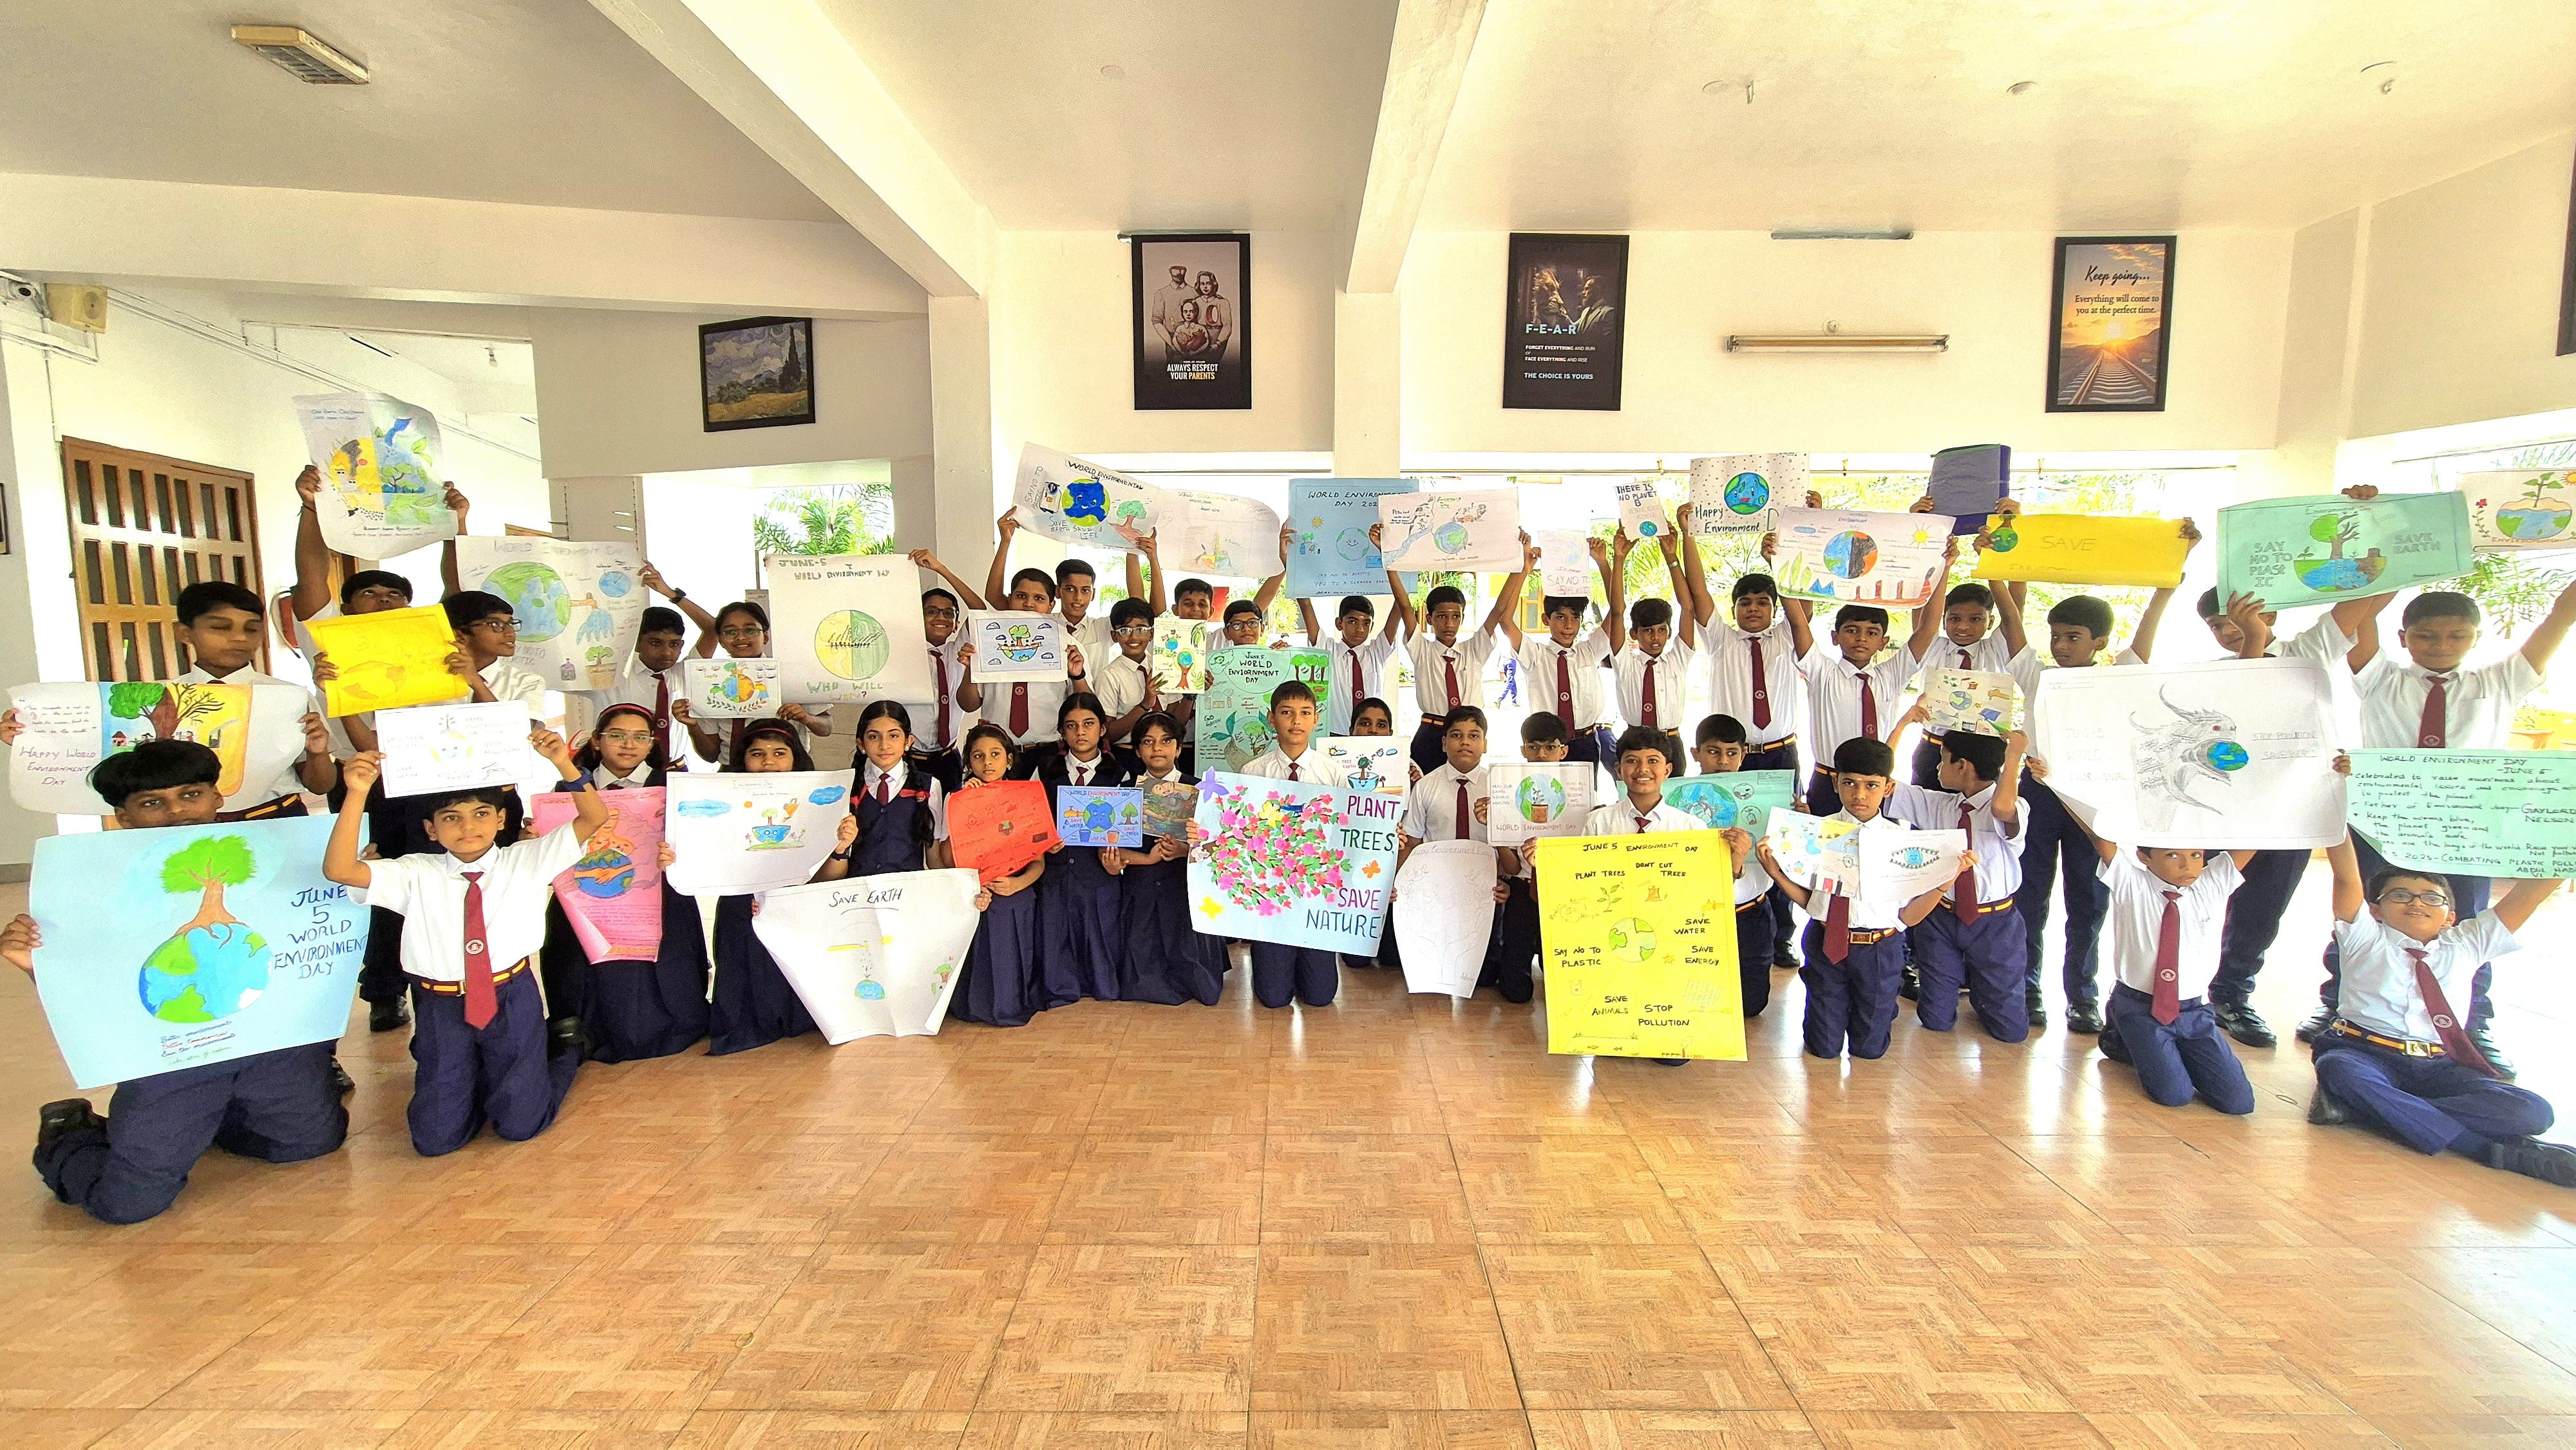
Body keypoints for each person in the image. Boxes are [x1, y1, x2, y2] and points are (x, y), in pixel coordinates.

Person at [8, 741, 349, 1223]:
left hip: (271, 1041)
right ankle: (68, 1134)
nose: (177, 812)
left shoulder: (280, 855)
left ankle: (210, 1118)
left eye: (191, 795)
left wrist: (356, 872)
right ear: (123, 817)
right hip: (170, 1054)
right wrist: (35, 965)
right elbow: (89, 982)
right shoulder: (91, 884)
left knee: (309, 1142)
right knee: (126, 1204)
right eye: (152, 803)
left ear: (217, 798)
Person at [2298, 580, 2576, 1073]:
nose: (2441, 646)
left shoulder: (2501, 680)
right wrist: (2379, 563)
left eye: (2457, 636)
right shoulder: (2381, 677)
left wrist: (2567, 602)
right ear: (2404, 638)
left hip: (2467, 833)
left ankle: (2472, 1024)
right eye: (2426, 636)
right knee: (2363, 916)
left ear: (2476, 638)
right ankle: (2339, 1003)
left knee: (2467, 924)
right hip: (2384, 825)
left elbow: (2559, 619)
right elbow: (2362, 617)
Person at [324, 726, 609, 1156]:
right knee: (435, 1140)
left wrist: (563, 764)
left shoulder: (526, 860)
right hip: (440, 1005)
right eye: (451, 818)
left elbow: (593, 818)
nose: (468, 827)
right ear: (431, 829)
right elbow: (340, 870)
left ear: (501, 820)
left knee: (521, 1125)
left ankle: (563, 1051)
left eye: (480, 814)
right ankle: (475, 1080)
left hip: (511, 995)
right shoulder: (414, 872)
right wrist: (357, 793)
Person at [1982, 527, 2189, 1033]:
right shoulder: (2037, 675)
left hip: (2093, 802)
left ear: (2099, 642)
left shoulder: (2119, 675)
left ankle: (2082, 996)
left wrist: (2172, 569)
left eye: (2072, 637)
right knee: (2029, 896)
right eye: (2055, 635)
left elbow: (2149, 626)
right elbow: (2011, 621)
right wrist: (1993, 567)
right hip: (2038, 795)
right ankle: (2026, 988)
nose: (2060, 645)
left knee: (2089, 901)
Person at [2310, 831, 2575, 1184]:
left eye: (2432, 898)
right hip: (2365, 1053)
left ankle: (2375, 1108)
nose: (2416, 903)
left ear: (2450, 916)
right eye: (2400, 895)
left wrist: (2565, 833)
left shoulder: (2468, 943)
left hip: (2439, 1066)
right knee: (2340, 1070)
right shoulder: (2364, 938)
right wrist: (2333, 820)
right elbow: (2346, 877)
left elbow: (2531, 894)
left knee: (2534, 1111)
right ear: (2376, 909)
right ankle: (2492, 1151)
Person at [2193, 576, 2389, 1048]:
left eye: (2240, 620)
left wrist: (2383, 538)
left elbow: (2370, 593)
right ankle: (2183, 992)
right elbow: (2244, 706)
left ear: (2272, 613)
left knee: (2264, 906)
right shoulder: (2211, 672)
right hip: (2227, 805)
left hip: (2294, 805)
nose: (2230, 631)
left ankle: (2232, 995)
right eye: (2218, 626)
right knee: (2203, 898)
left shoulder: (2311, 649)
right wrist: (2253, 640)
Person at [1757, 739, 1966, 1062]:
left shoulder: (1903, 843)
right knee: (1823, 1047)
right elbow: (1812, 903)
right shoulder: (1815, 834)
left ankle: (1880, 1012)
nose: (1860, 795)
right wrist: (1776, 873)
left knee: (1870, 1049)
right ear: (1835, 782)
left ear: (1888, 787)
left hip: (1880, 949)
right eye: (1850, 783)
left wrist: (1945, 882)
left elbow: (1908, 917)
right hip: (1827, 941)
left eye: (1871, 785)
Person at [545, 704, 708, 1063]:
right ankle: (591, 1031)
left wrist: (676, 854)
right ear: (597, 741)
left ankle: (668, 1025)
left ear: (651, 744)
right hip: (588, 894)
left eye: (640, 737)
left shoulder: (672, 785)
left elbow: (701, 843)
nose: (628, 745)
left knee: (660, 963)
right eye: (617, 735)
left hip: (659, 893)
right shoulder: (567, 788)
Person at [1687, 536, 1815, 973]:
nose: (1754, 609)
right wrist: (1688, 537)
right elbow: (1698, 593)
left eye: (1763, 602)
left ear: (1775, 608)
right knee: (1724, 837)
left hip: (1780, 757)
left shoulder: (1787, 637)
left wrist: (1780, 557)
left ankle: (1781, 936)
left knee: (1779, 843)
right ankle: (1719, 919)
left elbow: (1802, 604)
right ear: (1735, 609)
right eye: (1745, 603)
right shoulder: (1721, 640)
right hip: (1729, 759)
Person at [1578, 726, 1721, 1064]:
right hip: (1615, 930)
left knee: (1673, 1053)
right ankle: (1618, 1028)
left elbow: (1703, 888)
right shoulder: (1598, 823)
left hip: (1669, 935)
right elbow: (1583, 880)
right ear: (1618, 769)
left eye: (1653, 761)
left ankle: (1662, 1029)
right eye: (1632, 761)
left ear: (1668, 770)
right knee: (1612, 1040)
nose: (1643, 770)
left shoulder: (1690, 828)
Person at [2090, 836, 2260, 1115]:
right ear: (2144, 857)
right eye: (2172, 855)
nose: (2187, 866)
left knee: (2238, 1102)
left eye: (2196, 855)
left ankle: (2171, 1051)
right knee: (2175, 1094)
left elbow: (2257, 838)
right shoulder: (2131, 882)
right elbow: (2100, 838)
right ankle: (2120, 1035)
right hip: (2140, 1007)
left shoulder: (2212, 883)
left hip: (2194, 1011)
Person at [1898, 730, 2030, 1043]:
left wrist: (2013, 755)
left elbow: (2002, 808)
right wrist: (1902, 725)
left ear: (1962, 766)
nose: (1937, 767)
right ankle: (1968, 993)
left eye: (1943, 760)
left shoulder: (2014, 806)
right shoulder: (1940, 804)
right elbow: (1881, 782)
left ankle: (1986, 996)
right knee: (1935, 1020)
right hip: (1941, 920)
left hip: (1996, 923)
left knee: (2010, 1032)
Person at [1225, 681, 1347, 1008]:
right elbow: (1240, 830)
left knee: (1320, 996)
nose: (1296, 721)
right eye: (1287, 712)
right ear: (1271, 718)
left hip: (1317, 890)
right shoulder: (1253, 772)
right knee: (1274, 997)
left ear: (1316, 719)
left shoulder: (1333, 773)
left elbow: (1347, 830)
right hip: (1272, 890)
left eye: (1305, 713)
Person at [169, 581, 339, 816]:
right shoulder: (164, 699)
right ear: (184, 633)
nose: (240, 638)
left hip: (276, 817)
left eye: (252, 629)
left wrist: (317, 753)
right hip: (186, 821)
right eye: (220, 627)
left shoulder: (288, 697)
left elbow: (321, 786)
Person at [705, 720, 823, 1055]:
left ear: (795, 758)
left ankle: (799, 1018)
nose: (769, 761)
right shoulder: (722, 799)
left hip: (797, 895)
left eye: (779, 753)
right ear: (743, 759)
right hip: (740, 893)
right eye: (757, 754)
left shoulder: (816, 799)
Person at [1799, 556, 1944, 817]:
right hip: (1830, 783)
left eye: (1872, 633)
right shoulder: (1822, 673)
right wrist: (1779, 566)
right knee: (1825, 842)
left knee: (1880, 841)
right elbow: (1798, 623)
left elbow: (1928, 629)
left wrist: (1944, 568)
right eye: (1852, 630)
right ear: (1835, 637)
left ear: (1883, 642)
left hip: (1878, 786)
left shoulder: (1891, 674)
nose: (1861, 639)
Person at [1396, 706, 1523, 1003]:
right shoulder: (1426, 787)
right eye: (1456, 735)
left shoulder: (1499, 789)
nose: (1465, 742)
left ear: (1485, 744)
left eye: (1474, 736)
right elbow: (1412, 843)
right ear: (1444, 743)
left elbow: (1512, 862)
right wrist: (1397, 885)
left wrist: (1504, 881)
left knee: (1485, 977)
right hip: (1436, 891)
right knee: (1431, 972)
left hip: (1485, 892)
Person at [1384, 530, 1533, 775]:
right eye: (1442, 617)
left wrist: (1521, 567)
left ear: (1462, 618)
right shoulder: (1422, 650)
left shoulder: (1474, 650)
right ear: (1430, 619)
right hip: (1431, 734)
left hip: (1467, 734)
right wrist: (1389, 560)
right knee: (1423, 790)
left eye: (1456, 617)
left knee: (1466, 786)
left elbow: (1498, 610)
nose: (1449, 623)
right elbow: (1405, 607)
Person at [1104, 711, 1227, 1006]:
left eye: (1166, 741)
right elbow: (1109, 849)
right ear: (1137, 751)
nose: (1157, 748)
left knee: (1195, 966)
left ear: (1179, 748)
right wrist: (1147, 858)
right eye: (1148, 742)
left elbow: (1220, 848)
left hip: (1185, 886)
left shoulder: (1201, 790)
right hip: (1141, 884)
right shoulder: (1123, 792)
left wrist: (1183, 851)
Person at [1027, 693, 1131, 1006]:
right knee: (1055, 929)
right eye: (1071, 726)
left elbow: (1127, 831)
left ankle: (1102, 984)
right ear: (1062, 731)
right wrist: (1043, 842)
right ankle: (1060, 987)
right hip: (1055, 871)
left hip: (1100, 873)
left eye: (1089, 724)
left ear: (1103, 729)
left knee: (1100, 931)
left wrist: (1117, 861)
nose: (1080, 732)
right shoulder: (1045, 771)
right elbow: (1030, 820)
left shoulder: (1121, 774)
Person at [942, 725, 1046, 1027]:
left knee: (1010, 945)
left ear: (1009, 760)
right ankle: (971, 1005)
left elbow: (1038, 863)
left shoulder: (1025, 798)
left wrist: (1016, 884)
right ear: (968, 763)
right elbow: (948, 857)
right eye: (978, 756)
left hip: (1015, 890)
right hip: (974, 890)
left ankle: (1013, 1002)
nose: (987, 762)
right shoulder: (957, 798)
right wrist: (965, 804)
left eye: (995, 754)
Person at [563, 562, 718, 761]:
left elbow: (713, 629)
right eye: (655, 643)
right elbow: (551, 674)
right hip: (621, 773)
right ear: (636, 643)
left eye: (674, 644)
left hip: (673, 770)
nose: (666, 652)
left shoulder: (687, 674)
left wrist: (671, 593)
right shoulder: (610, 676)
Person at [1502, 532, 1627, 768]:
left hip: (1586, 742)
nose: (1569, 625)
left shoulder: (1589, 650)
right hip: (1546, 747)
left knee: (1585, 793)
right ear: (1546, 619)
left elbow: (1617, 610)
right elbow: (1506, 621)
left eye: (1575, 618)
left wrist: (1602, 562)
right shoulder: (1535, 655)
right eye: (1560, 617)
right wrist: (1524, 570)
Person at [1687, 713, 1781, 1019]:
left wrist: (1797, 821)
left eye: (1732, 753)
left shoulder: (1767, 799)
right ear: (1696, 754)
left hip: (1751, 912)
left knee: (1751, 1006)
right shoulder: (1679, 802)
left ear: (1744, 754)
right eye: (1713, 752)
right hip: (1700, 914)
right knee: (1698, 1000)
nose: (1723, 761)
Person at [674, 602, 833, 764]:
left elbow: (826, 728)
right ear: (721, 641)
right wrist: (693, 725)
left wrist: (807, 718)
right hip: (732, 771)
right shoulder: (710, 681)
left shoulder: (793, 675)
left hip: (787, 771)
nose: (740, 637)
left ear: (766, 637)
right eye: (730, 632)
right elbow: (710, 755)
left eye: (750, 630)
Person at [817, 701, 942, 880]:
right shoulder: (843, 787)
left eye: (893, 736)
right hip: (857, 890)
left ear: (908, 741)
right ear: (861, 744)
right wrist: (841, 849)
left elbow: (934, 858)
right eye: (874, 737)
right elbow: (831, 872)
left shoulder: (929, 787)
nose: (884, 745)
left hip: (909, 891)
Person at [904, 561, 985, 793]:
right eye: (931, 612)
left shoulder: (959, 651)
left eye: (948, 613)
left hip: (949, 758)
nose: (941, 617)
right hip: (910, 759)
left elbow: (979, 609)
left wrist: (941, 569)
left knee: (951, 812)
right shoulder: (903, 655)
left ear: (956, 624)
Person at [1611, 531, 1698, 746]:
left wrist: (1671, 557)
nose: (1656, 637)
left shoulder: (1678, 659)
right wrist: (1619, 559)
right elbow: (1617, 612)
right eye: (1648, 631)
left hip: (1671, 741)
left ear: (1669, 632)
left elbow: (1688, 607)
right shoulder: (1625, 662)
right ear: (1634, 634)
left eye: (1661, 630)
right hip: (1633, 741)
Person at [1294, 593, 1401, 738]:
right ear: (1339, 623)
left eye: (1366, 623)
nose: (1360, 629)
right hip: (1335, 736)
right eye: (1352, 622)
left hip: (1370, 737)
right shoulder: (1327, 650)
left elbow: (1399, 607)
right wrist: (1298, 581)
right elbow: (1305, 605)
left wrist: (1405, 583)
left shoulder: (1377, 652)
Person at [440, 590, 550, 719]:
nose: (510, 633)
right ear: (459, 636)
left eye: (510, 624)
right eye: (495, 624)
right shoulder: (428, 681)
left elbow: (520, 730)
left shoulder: (527, 683)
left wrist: (476, 683)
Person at [1091, 597, 1161, 744]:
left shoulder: (1163, 666)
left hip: (1165, 751)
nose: (1134, 637)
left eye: (1141, 629)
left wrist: (1191, 695)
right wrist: (1145, 705)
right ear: (1114, 636)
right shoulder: (1109, 676)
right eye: (1125, 630)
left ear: (1152, 634)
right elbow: (1106, 735)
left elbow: (1176, 720)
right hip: (1127, 751)